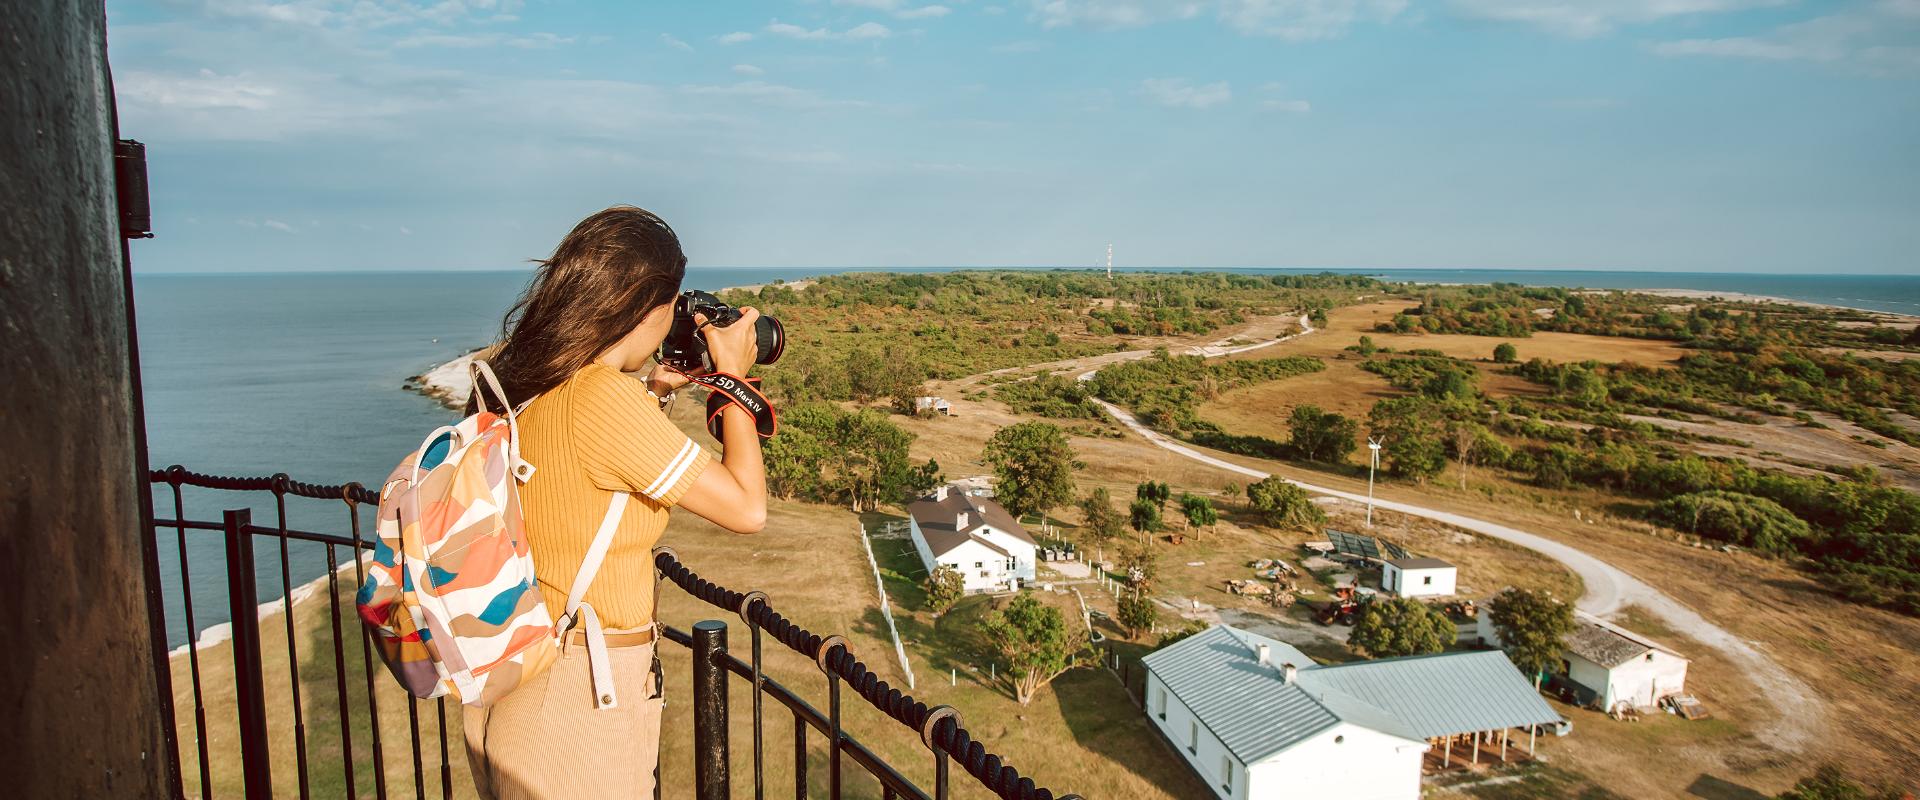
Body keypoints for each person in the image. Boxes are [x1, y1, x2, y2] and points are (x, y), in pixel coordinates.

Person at [462, 206, 767, 799]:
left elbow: (586, 476)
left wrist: (655, 390)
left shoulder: (536, 377)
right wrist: (734, 377)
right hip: (576, 705)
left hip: (525, 677)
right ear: (648, 308)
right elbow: (747, 508)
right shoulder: (602, 399)